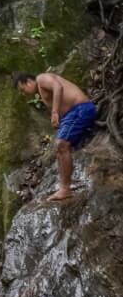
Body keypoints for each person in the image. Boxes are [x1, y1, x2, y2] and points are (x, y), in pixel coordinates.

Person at [13, 72, 98, 201]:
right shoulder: (41, 90)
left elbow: (58, 86)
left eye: (22, 89)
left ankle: (65, 189)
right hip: (74, 114)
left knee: (61, 145)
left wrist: (55, 112)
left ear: (29, 81)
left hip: (79, 110)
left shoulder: (41, 78)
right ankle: (66, 185)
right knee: (60, 148)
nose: (23, 93)